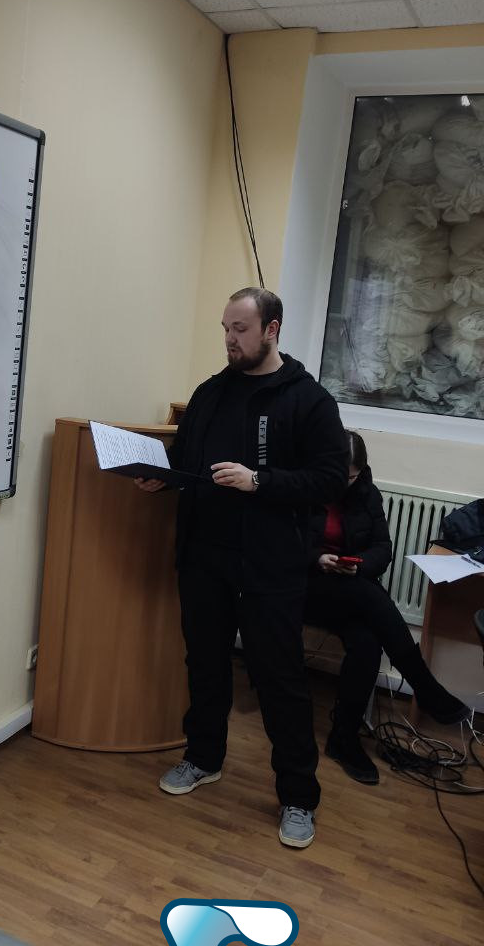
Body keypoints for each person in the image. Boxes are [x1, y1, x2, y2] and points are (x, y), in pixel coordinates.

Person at [137, 287, 347, 849]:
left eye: (241, 330)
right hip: (204, 558)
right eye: (226, 329)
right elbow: (187, 460)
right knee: (205, 664)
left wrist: (261, 482)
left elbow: (329, 478)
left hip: (270, 566)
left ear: (272, 330)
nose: (230, 340)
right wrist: (162, 477)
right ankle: (204, 758)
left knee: (279, 679)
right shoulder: (210, 392)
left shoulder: (309, 401)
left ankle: (298, 796)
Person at [306, 430, 468, 784]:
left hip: (350, 589)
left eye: (351, 476)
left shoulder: (367, 493)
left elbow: (383, 549)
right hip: (306, 587)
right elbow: (285, 543)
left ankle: (343, 738)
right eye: (338, 475)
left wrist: (359, 565)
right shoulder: (305, 487)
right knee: (368, 596)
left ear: (361, 472)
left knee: (367, 643)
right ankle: (425, 686)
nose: (344, 483)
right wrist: (318, 558)